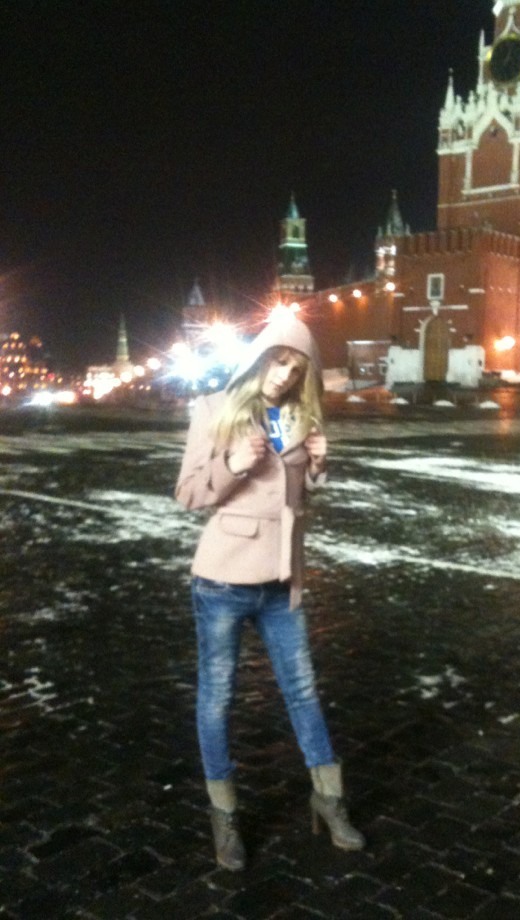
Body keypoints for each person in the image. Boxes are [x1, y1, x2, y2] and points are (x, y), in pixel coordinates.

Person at [175, 313, 365, 871]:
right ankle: (224, 813)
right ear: (260, 356)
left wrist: (319, 466)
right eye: (280, 361)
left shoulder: (301, 418)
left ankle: (328, 799)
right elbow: (188, 492)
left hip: (283, 581)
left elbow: (296, 499)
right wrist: (232, 465)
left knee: (303, 691)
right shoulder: (214, 408)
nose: (284, 375)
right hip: (222, 580)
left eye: (297, 369)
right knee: (218, 698)